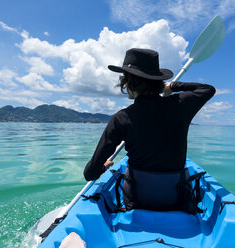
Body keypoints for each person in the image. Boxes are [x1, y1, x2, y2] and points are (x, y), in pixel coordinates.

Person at [84, 48, 215, 211]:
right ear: (158, 81)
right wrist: (173, 86)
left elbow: (90, 174)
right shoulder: (180, 105)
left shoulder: (121, 118)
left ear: (128, 83)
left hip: (137, 200)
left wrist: (102, 167)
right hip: (175, 199)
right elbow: (208, 89)